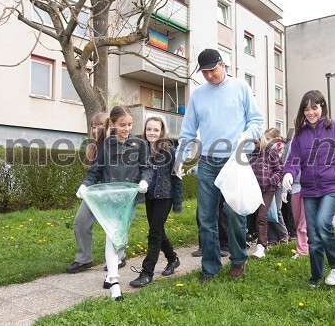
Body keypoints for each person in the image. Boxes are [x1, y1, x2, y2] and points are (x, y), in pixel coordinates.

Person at [175, 48, 264, 282]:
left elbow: (256, 120)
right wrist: (179, 159)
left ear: (222, 65)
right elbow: (187, 131)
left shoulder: (240, 87)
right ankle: (210, 267)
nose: (209, 76)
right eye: (204, 72)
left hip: (235, 160)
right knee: (205, 217)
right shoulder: (198, 95)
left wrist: (247, 135)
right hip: (207, 162)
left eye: (212, 70)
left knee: (234, 213)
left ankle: (237, 259)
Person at [282, 90, 335, 287]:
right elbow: (293, 160)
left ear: (322, 107)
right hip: (310, 189)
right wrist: (288, 173)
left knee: (322, 223)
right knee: (313, 234)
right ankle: (315, 275)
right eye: (306, 109)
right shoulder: (300, 135)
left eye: (314, 107)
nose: (310, 112)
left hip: (334, 185)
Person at [76, 105, 153, 300]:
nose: (126, 129)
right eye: (122, 125)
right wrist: (85, 185)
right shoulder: (105, 145)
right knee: (113, 235)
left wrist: (145, 180)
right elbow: (94, 172)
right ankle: (114, 281)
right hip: (109, 199)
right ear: (112, 124)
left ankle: (111, 276)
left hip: (128, 200)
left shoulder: (140, 145)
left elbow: (147, 168)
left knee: (117, 237)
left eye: (129, 124)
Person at [66, 112, 126, 274]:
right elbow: (93, 173)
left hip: (113, 192)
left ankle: (118, 257)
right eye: (93, 127)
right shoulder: (96, 147)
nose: (96, 129)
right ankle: (84, 259)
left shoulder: (120, 143)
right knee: (81, 222)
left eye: (100, 125)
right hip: (95, 192)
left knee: (113, 228)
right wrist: (85, 186)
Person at [129, 117, 183, 288]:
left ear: (161, 132)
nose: (152, 133)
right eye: (149, 129)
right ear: (145, 130)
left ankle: (147, 272)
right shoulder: (141, 149)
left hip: (164, 197)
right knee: (158, 231)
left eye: (156, 130)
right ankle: (173, 259)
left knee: (154, 234)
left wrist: (177, 203)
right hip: (149, 198)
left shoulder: (170, 151)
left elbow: (177, 177)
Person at [250, 128, 285, 258]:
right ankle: (255, 239)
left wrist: (271, 181)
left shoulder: (271, 151)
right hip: (253, 190)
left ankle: (261, 246)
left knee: (262, 217)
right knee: (251, 216)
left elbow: (279, 170)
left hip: (267, 190)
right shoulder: (250, 153)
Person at [187, 166, 230, 258]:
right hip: (206, 185)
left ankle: (224, 246)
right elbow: (205, 160)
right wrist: (195, 168)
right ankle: (204, 246)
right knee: (202, 216)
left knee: (221, 216)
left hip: (222, 184)